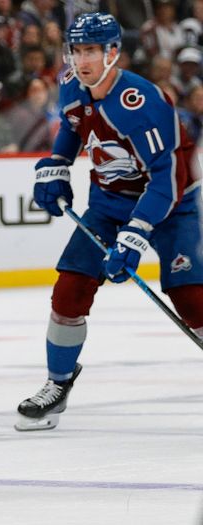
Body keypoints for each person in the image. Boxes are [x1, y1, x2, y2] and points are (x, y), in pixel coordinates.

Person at [16, 13, 203, 432]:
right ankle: (57, 383)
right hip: (108, 202)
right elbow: (73, 126)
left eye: (91, 51)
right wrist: (57, 165)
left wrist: (137, 234)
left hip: (172, 205)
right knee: (69, 291)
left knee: (192, 300)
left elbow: (168, 176)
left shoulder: (141, 101)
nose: (81, 60)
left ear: (112, 52)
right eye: (76, 50)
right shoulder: (69, 84)